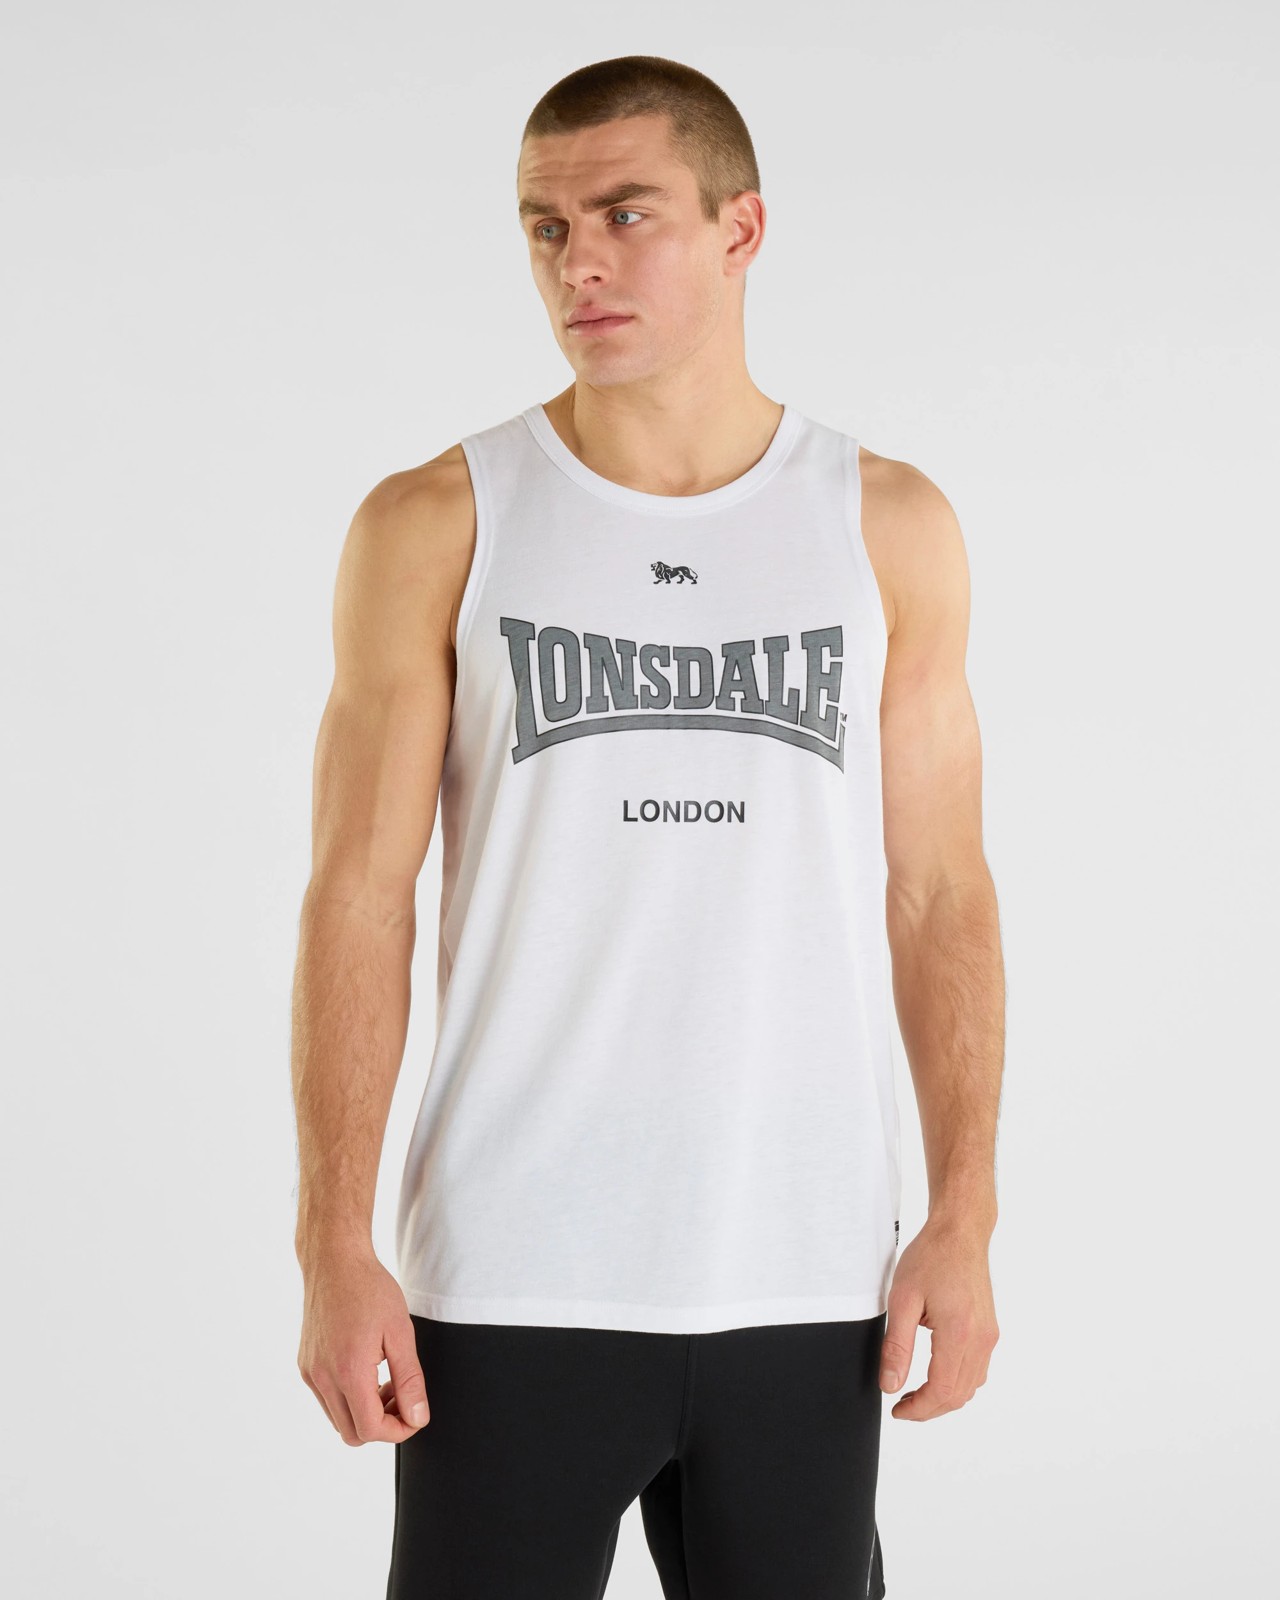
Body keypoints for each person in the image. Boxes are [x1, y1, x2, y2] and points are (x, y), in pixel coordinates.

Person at [290, 53, 1003, 1600]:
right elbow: (358, 897)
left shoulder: (884, 524)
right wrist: (332, 1242)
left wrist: (966, 1213)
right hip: (511, 1274)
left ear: (742, 229)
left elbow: (941, 891)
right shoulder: (439, 521)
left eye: (626, 214)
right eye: (545, 227)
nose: (579, 265)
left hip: (805, 1273)